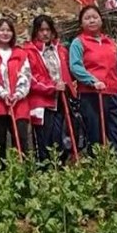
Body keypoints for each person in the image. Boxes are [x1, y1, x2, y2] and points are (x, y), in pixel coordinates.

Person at [68, 6, 117, 153]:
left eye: (95, 17)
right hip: (91, 95)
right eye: (87, 18)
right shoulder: (78, 43)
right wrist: (92, 81)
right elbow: (75, 66)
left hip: (113, 95)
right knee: (95, 134)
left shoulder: (111, 43)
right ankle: (97, 169)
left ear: (101, 20)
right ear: (81, 23)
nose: (92, 20)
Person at [25, 14, 75, 161]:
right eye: (41, 30)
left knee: (60, 138)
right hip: (42, 102)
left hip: (61, 100)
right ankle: (44, 172)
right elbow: (31, 77)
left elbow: (68, 71)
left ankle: (59, 169)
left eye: (48, 29)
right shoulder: (29, 51)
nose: (45, 33)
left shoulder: (60, 50)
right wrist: (52, 86)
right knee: (43, 140)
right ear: (35, 32)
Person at [0, 19, 33, 159]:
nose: (5, 33)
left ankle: (22, 172)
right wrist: (3, 94)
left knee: (21, 140)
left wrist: (17, 94)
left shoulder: (20, 54)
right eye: (1, 30)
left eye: (8, 30)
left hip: (19, 103)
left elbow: (26, 75)